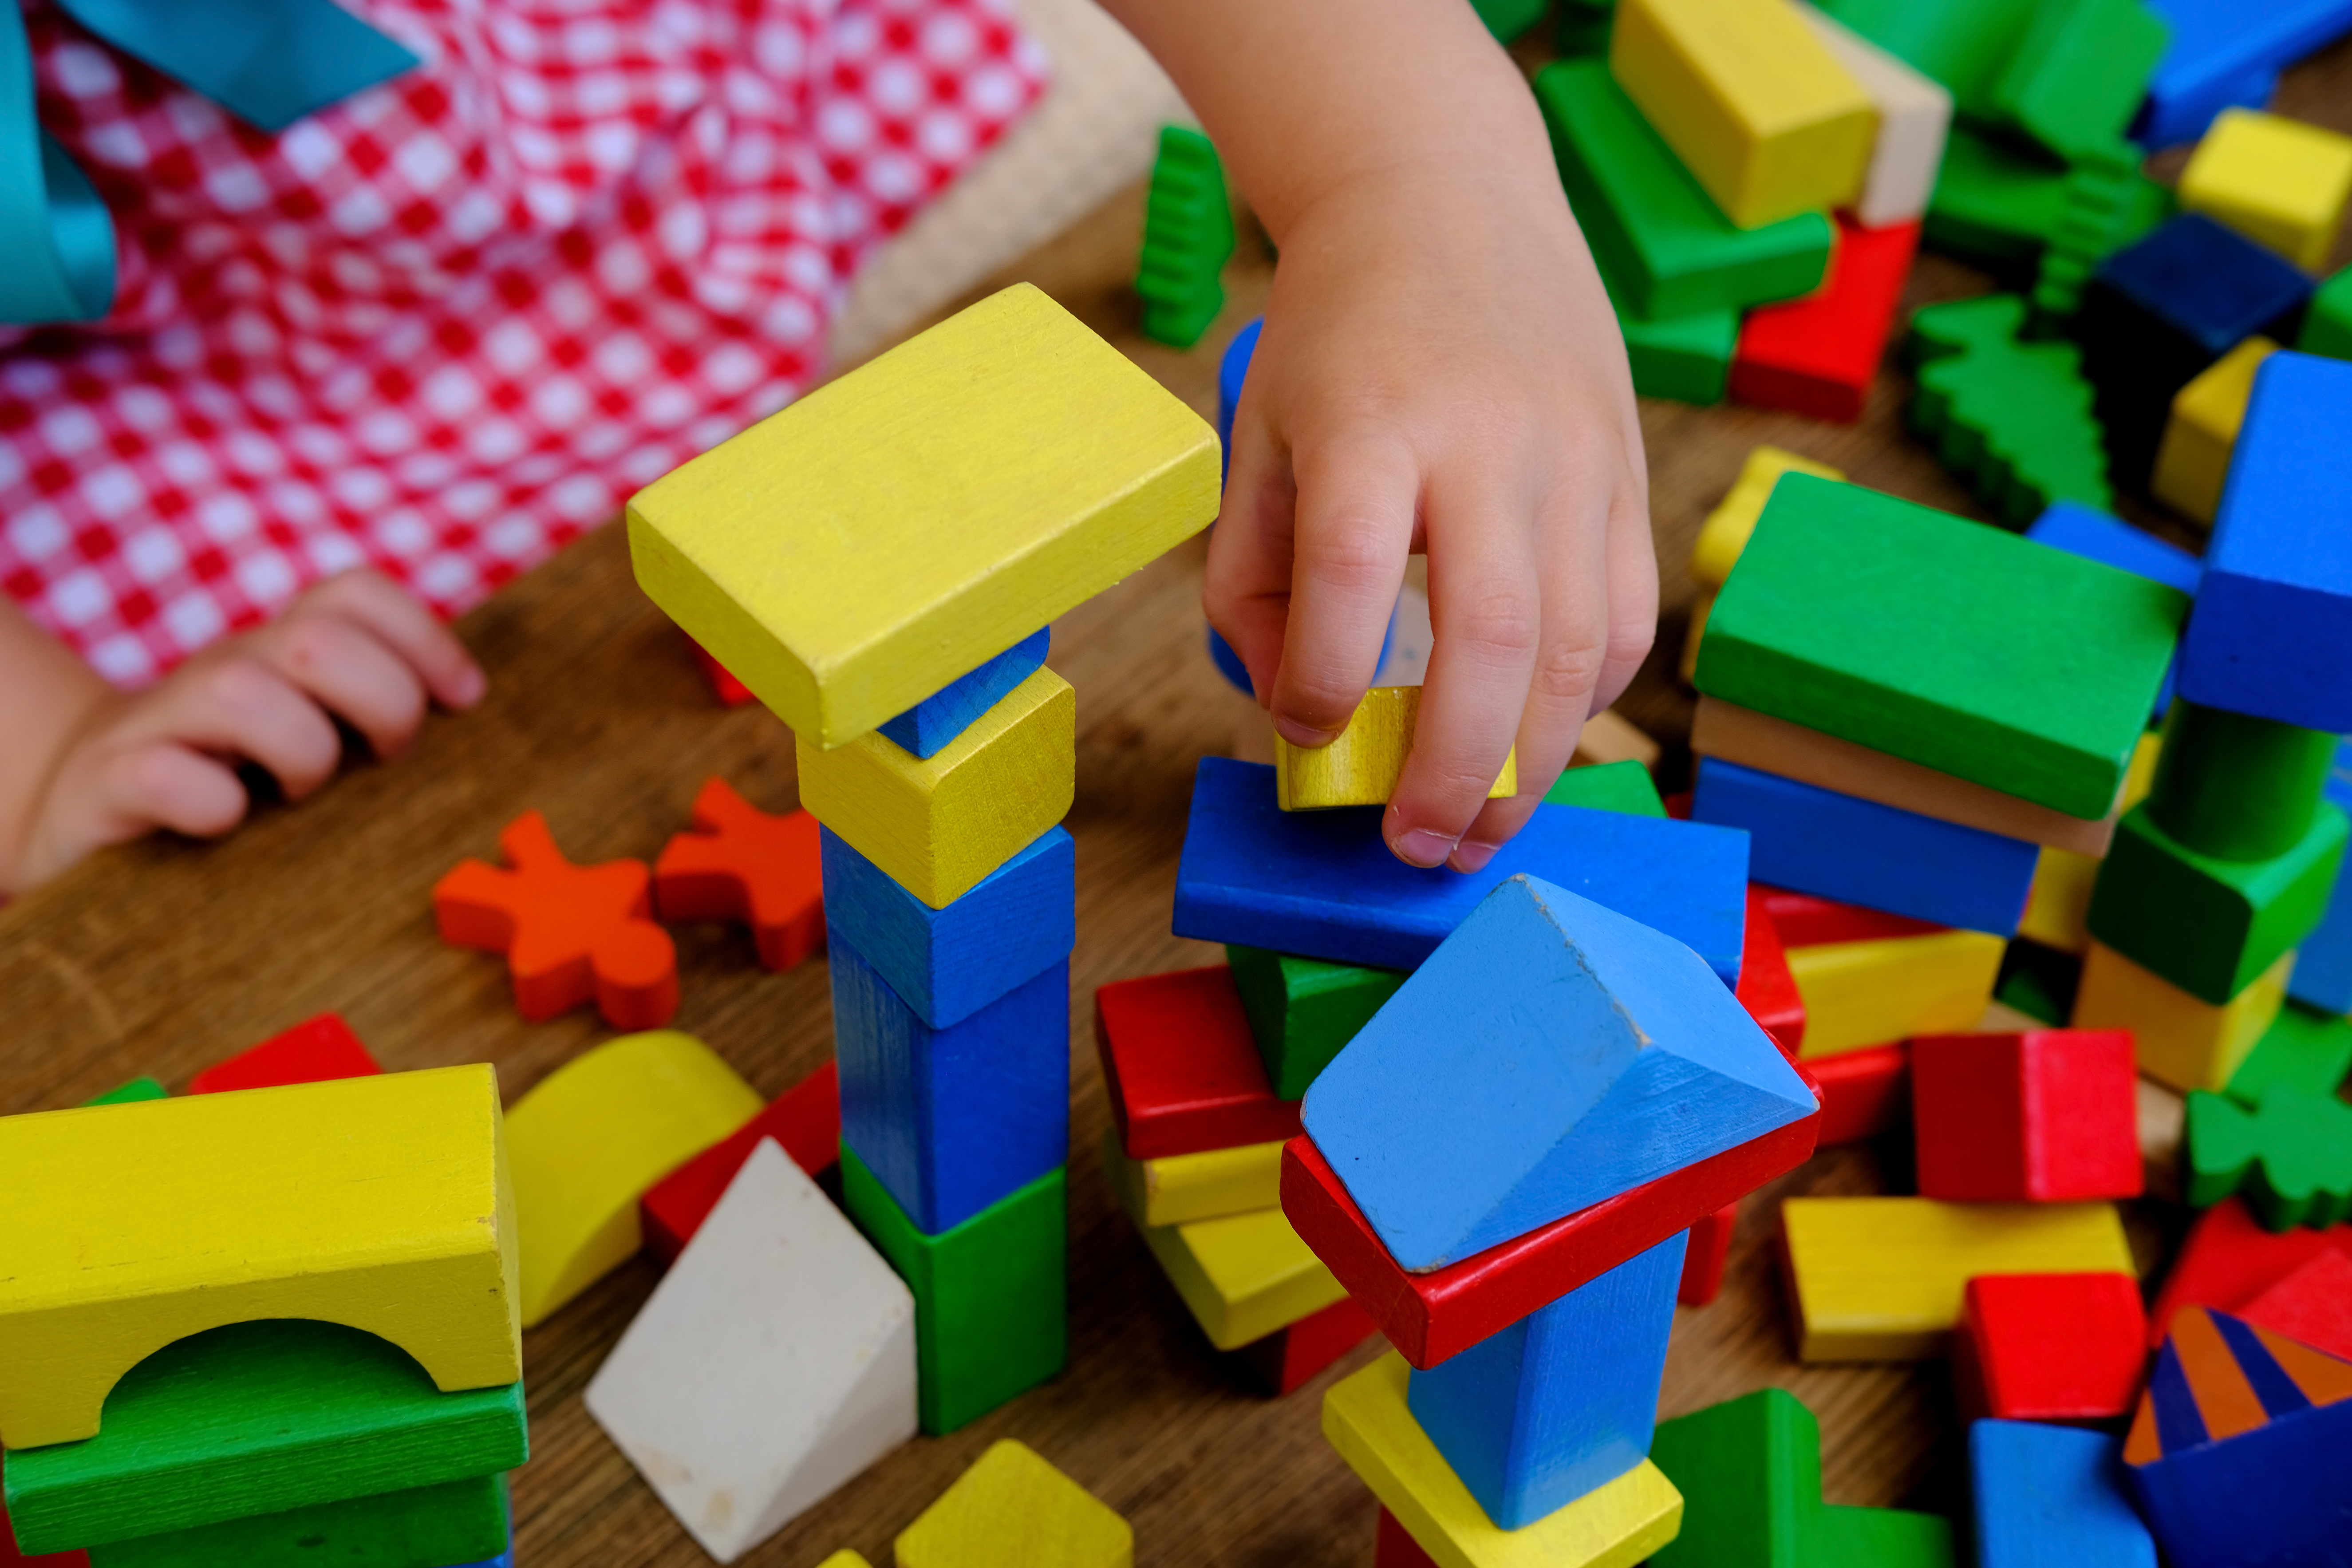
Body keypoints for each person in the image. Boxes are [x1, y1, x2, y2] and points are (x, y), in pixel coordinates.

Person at [0, 0, 1651, 897]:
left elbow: (1401, 148)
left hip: (661, 88)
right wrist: (50, 754)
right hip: (191, 385)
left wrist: (1421, 175)